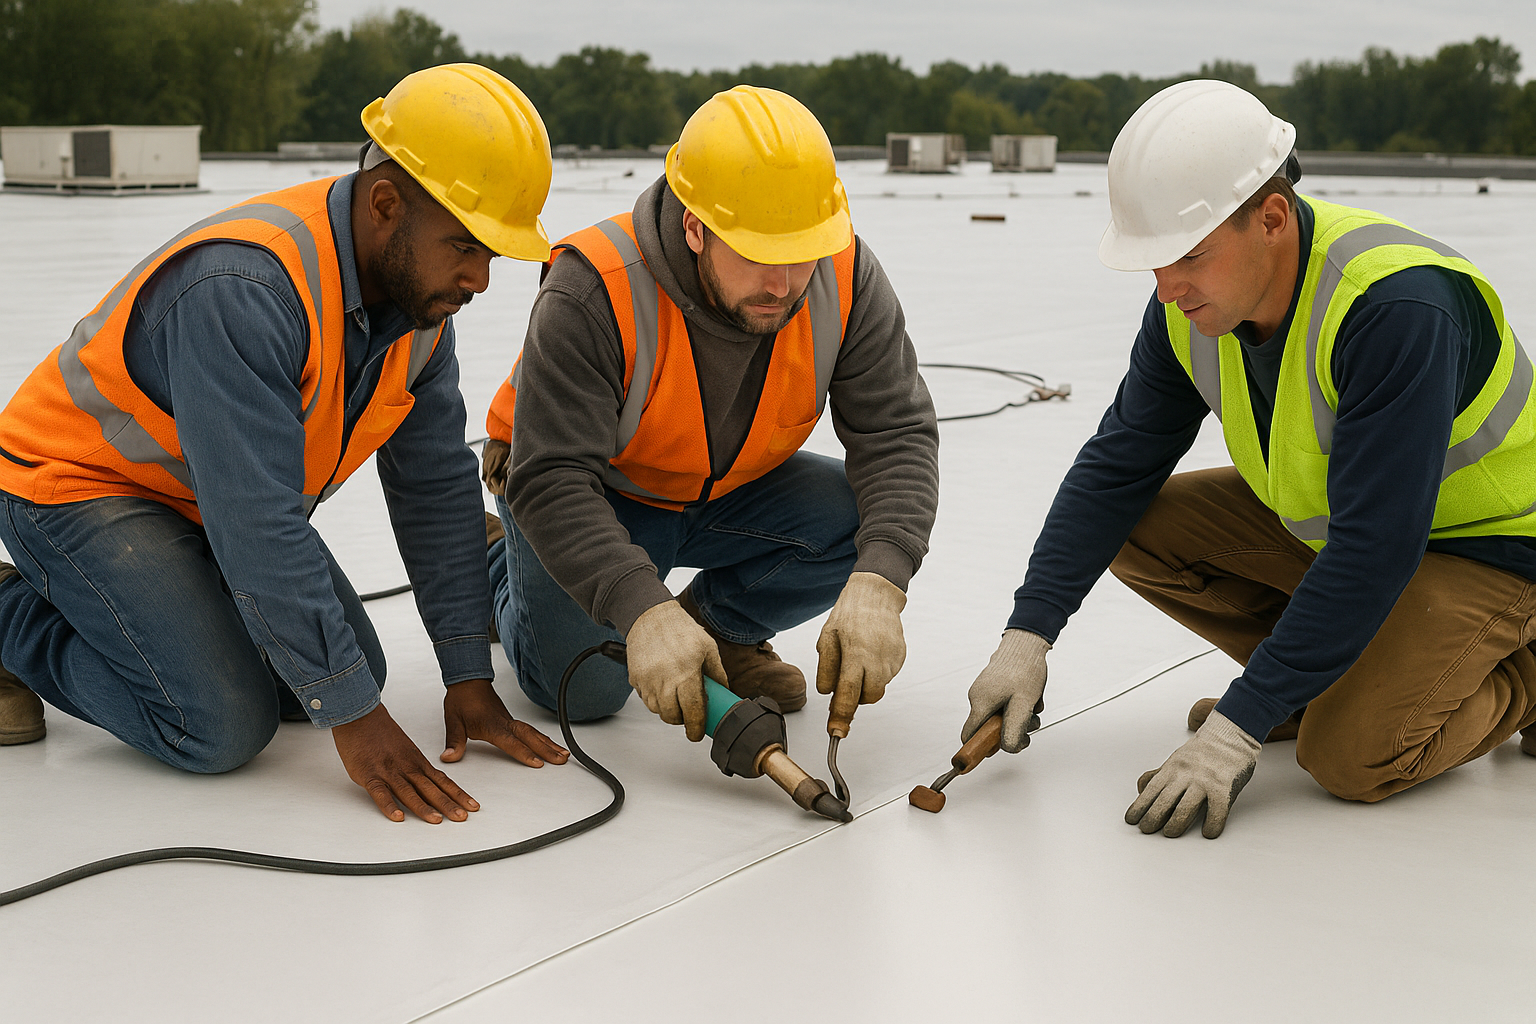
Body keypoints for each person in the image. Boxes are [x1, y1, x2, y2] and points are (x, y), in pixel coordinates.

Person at [961, 79, 1536, 839]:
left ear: (1271, 218)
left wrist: (1237, 724)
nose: (1167, 289)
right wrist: (1027, 636)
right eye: (1155, 263)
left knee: (1351, 757)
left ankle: (1522, 677)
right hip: (1362, 536)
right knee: (1139, 523)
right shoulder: (1193, 306)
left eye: (1188, 256)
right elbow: (1116, 469)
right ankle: (1313, 683)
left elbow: (1375, 549)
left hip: (1495, 550)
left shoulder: (1394, 308)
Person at [0, 64, 570, 824]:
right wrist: (359, 723)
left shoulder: (419, 310)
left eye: (494, 254)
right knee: (221, 724)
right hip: (74, 487)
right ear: (386, 204)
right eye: (466, 246)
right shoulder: (246, 289)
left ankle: (150, 608)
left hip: (200, 503)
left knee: (347, 670)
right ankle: (11, 613)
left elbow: (434, 487)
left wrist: (467, 674)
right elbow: (259, 524)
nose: (481, 279)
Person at [480, 85, 939, 742]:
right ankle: (495, 560)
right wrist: (640, 610)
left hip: (726, 489)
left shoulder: (845, 273)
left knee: (865, 521)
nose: (782, 286)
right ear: (695, 226)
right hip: (593, 493)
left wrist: (881, 578)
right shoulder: (595, 286)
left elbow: (896, 435)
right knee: (582, 691)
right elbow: (551, 477)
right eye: (756, 254)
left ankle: (722, 632)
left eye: (799, 254)